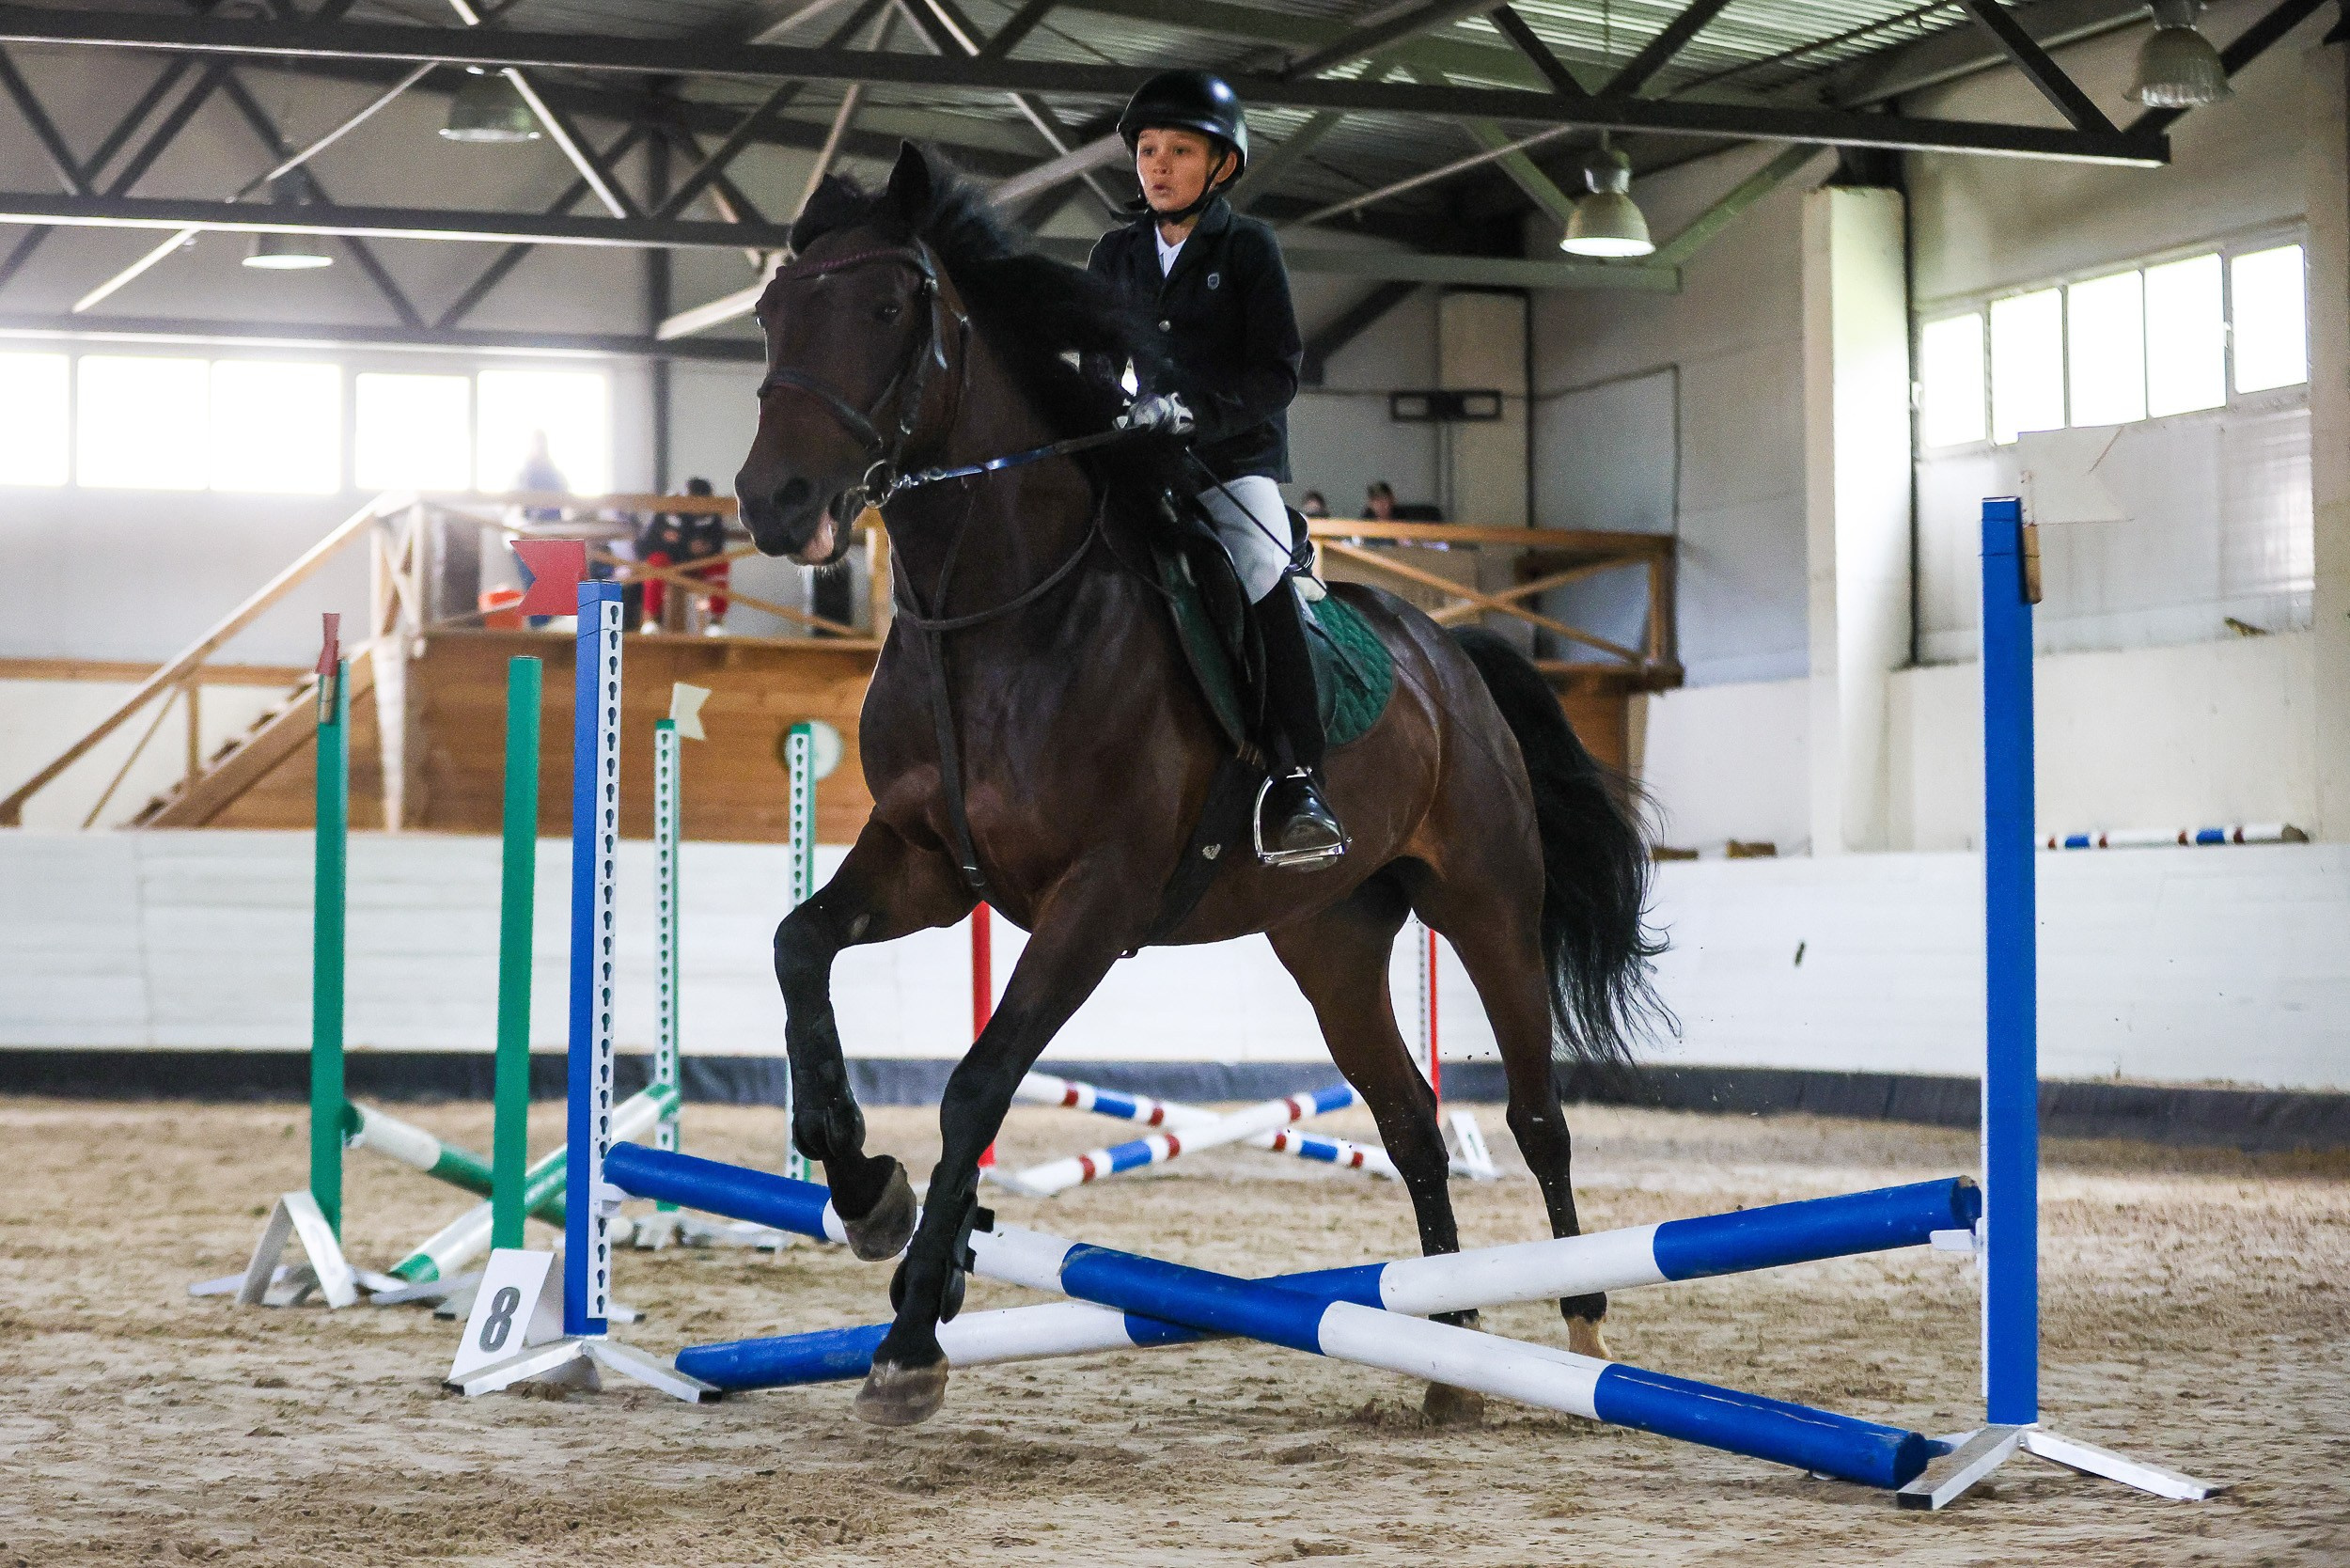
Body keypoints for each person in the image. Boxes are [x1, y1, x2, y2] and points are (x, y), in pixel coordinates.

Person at [1089, 69, 1342, 870]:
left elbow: (1278, 372)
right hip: (1143, 457)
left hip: (1233, 459)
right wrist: (1103, 417)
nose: (1157, 166)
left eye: (1179, 151)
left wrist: (1194, 413)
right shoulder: (1115, 252)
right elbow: (1096, 363)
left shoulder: (1248, 248)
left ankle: (1298, 776)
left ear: (1220, 165)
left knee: (1261, 563)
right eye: (1149, 151)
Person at [636, 478, 729, 634]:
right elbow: (645, 546)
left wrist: (707, 547)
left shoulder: (712, 516)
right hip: (669, 566)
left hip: (699, 567)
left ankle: (716, 622)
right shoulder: (667, 512)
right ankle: (651, 620)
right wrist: (666, 542)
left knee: (720, 563)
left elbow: (718, 544)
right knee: (655, 562)